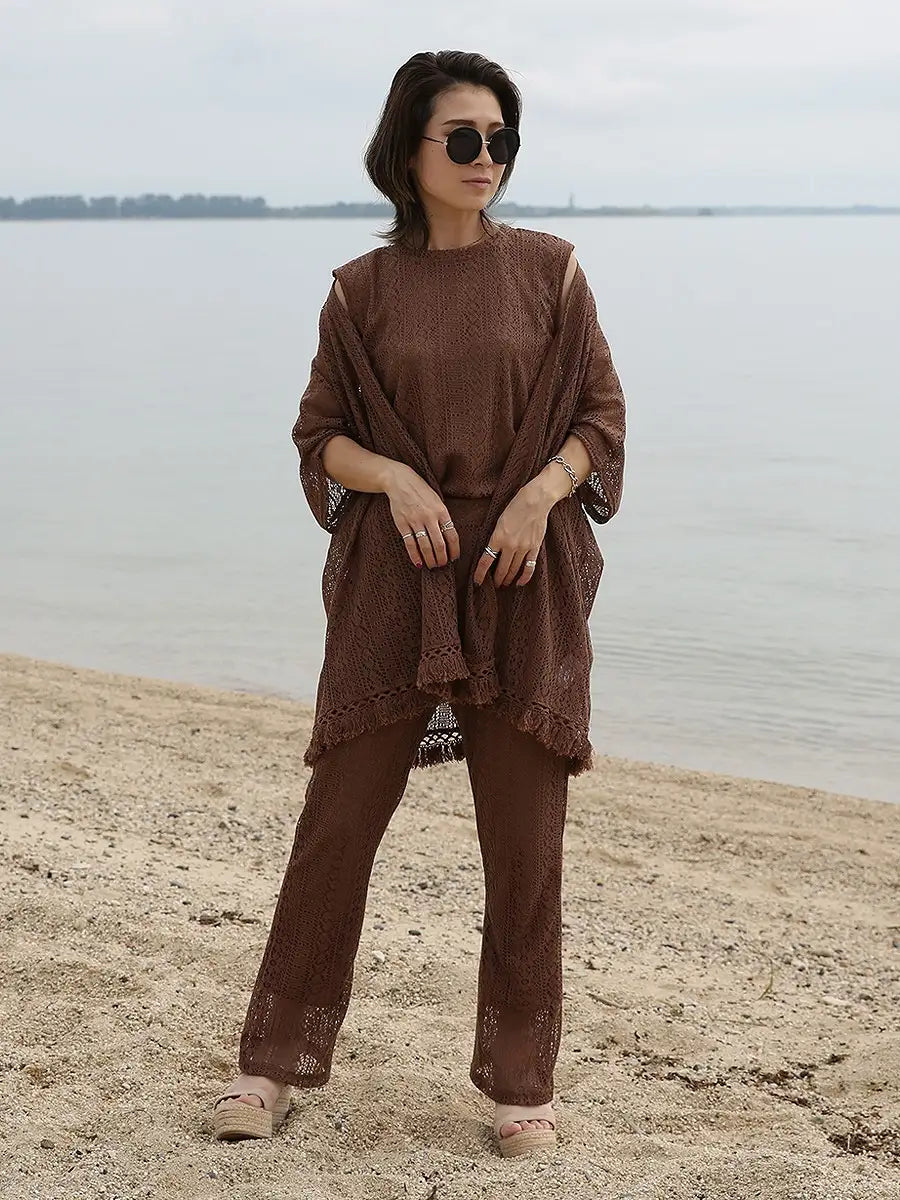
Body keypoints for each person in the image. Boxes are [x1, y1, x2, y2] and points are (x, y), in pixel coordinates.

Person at [212, 49, 626, 1158]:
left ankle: (521, 1086)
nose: (488, 158)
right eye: (465, 138)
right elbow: (320, 439)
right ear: (409, 149)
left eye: (503, 139)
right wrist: (394, 477)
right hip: (396, 588)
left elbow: (600, 419)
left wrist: (540, 494)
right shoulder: (360, 290)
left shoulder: (554, 272)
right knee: (337, 825)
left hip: (524, 587)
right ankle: (269, 1066)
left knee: (525, 846)